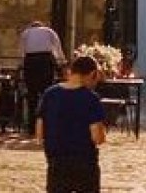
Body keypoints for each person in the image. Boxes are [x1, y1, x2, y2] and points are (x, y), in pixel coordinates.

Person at [35, 55, 108, 193]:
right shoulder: (91, 98)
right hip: (85, 163)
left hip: (56, 162)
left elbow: (39, 133)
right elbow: (97, 138)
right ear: (92, 74)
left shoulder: (49, 94)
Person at [21, 20, 67, 133]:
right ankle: (47, 126)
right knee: (47, 93)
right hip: (45, 62)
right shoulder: (49, 31)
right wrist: (62, 62)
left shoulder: (26, 33)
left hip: (30, 62)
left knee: (32, 95)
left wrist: (21, 64)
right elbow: (57, 48)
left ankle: (32, 126)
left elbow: (22, 51)